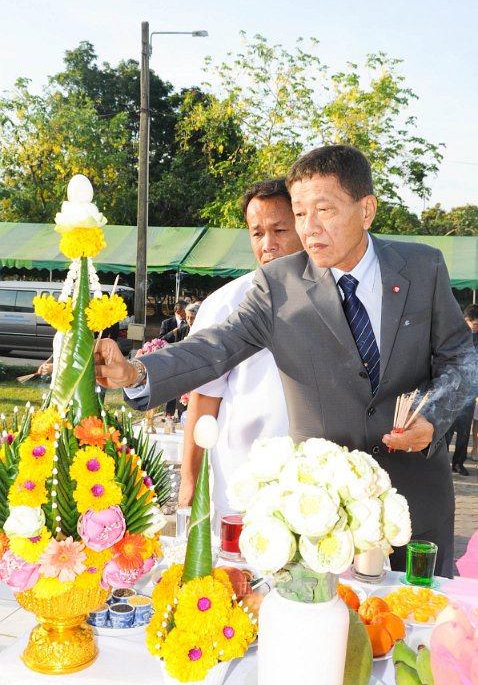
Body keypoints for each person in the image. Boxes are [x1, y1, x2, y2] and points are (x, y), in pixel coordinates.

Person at [95, 144, 476, 578]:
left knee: (420, 633)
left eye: (324, 210)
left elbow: (461, 358)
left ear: (366, 209)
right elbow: (216, 345)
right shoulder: (278, 285)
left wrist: (432, 415)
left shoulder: (422, 267)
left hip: (414, 501)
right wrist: (138, 372)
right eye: (299, 213)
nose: (309, 229)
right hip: (322, 515)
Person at [178, 178, 304, 527]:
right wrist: (189, 481)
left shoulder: (336, 300)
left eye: (280, 230)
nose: (268, 244)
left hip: (309, 492)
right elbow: (203, 401)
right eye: (257, 232)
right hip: (240, 487)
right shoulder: (225, 304)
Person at [445, 304, 478, 475]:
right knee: (447, 429)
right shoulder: (453, 336)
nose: (475, 327)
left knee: (464, 431)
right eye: (474, 323)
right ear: (465, 320)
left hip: (470, 392)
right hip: (451, 391)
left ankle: (459, 463)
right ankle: (442, 462)